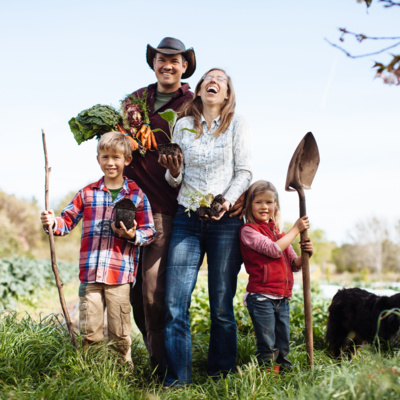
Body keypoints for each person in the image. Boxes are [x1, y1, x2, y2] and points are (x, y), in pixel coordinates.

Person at [159, 68, 252, 386]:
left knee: (222, 304)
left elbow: (244, 171)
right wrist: (173, 171)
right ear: (198, 90)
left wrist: (226, 200)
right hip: (187, 219)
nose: (214, 81)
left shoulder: (237, 124)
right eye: (208, 79)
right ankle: (177, 379)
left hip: (224, 222)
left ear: (227, 94)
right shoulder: (182, 126)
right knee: (175, 304)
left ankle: (221, 375)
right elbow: (175, 180)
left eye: (221, 80)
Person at [40, 131, 156, 363]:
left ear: (127, 160)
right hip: (91, 274)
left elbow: (150, 231)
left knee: (120, 332)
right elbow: (66, 222)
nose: (110, 162)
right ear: (98, 159)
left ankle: (122, 376)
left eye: (116, 157)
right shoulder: (87, 193)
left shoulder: (136, 195)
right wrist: (52, 223)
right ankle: (92, 374)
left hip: (119, 276)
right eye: (105, 157)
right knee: (90, 330)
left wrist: (133, 234)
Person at [121, 37, 196, 372]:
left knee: (153, 291)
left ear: (184, 66)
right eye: (161, 59)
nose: (167, 65)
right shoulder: (135, 99)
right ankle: (154, 356)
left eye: (174, 60)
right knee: (133, 294)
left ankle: (163, 368)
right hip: (129, 203)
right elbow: (118, 142)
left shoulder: (191, 103)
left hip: (164, 207)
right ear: (154, 63)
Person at [239, 180, 314, 370]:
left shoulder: (279, 233)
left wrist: (306, 254)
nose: (264, 207)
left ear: (275, 206)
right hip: (262, 297)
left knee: (283, 343)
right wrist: (296, 229)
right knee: (267, 344)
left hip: (282, 297)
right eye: (259, 202)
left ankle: (284, 374)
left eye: (269, 202)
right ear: (250, 205)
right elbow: (273, 250)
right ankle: (266, 377)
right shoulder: (249, 231)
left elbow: (294, 264)